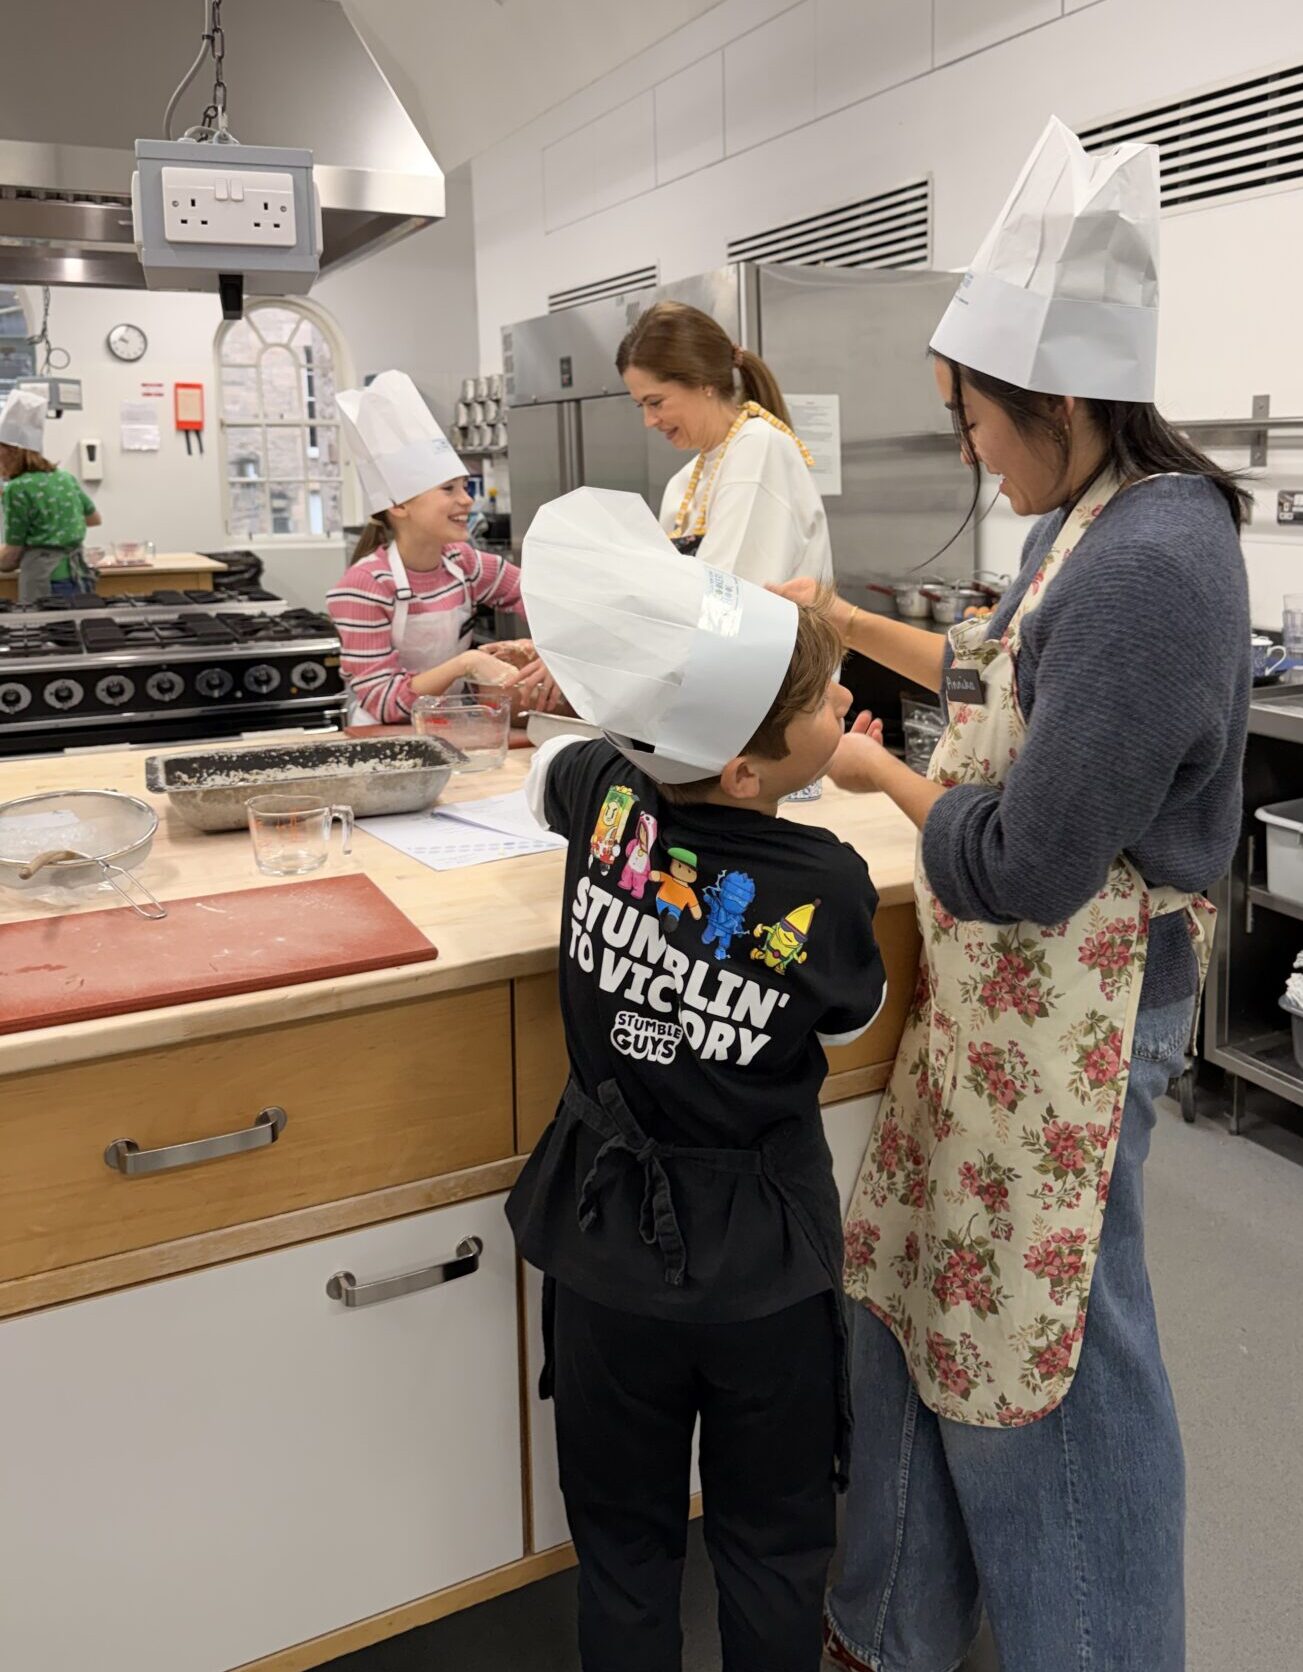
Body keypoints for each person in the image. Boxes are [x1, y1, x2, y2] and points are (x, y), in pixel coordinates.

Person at [783, 118, 1249, 1672]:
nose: (965, 443)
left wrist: (883, 785)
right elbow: (993, 669)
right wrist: (842, 619)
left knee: (1050, 1367)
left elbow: (1026, 863)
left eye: (969, 414)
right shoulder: (1081, 522)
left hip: (1079, 1009)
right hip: (1006, 1013)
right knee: (924, 1303)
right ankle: (889, 1628)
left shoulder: (1151, 568)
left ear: (1052, 397)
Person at [508, 486, 886, 1672]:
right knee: (772, 1538)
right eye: (823, 706)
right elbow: (854, 1010)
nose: (844, 707)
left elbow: (553, 768)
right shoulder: (824, 880)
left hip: (603, 1250)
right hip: (762, 1268)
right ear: (737, 771)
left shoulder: (604, 797)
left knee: (621, 1540)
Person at [329, 370, 552, 724]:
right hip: (387, 740)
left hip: (453, 727)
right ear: (399, 506)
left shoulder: (463, 564)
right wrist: (468, 662)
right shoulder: (365, 587)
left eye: (465, 487)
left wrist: (550, 649)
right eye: (448, 489)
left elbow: (545, 598)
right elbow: (384, 702)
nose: (467, 500)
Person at [617, 301, 833, 586]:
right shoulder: (681, 484)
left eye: (656, 403)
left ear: (704, 382)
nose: (649, 421)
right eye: (640, 406)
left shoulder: (757, 446)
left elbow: (731, 595)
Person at [0, 388, 100, 603]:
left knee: (45, 634)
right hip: (79, 577)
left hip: (47, 581)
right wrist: (57, 525)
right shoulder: (63, 477)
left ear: (9, 451)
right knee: (78, 633)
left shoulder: (17, 488)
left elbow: (9, 559)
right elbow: (93, 519)